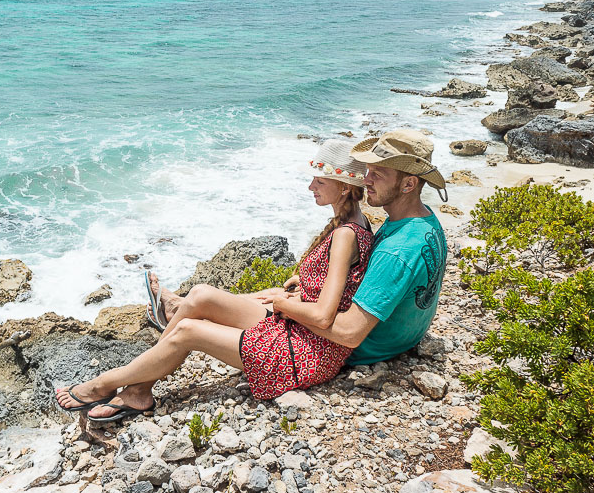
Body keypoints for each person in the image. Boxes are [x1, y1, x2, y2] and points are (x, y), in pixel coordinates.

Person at [55, 140, 374, 421]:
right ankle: (140, 387)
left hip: (305, 351)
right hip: (301, 331)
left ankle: (104, 384)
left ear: (344, 186)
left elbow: (324, 316)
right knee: (201, 295)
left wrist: (279, 302)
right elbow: (337, 286)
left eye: (318, 181)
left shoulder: (345, 235)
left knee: (187, 331)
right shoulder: (353, 223)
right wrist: (299, 285)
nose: (310, 188)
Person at [282, 129, 449, 366]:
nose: (366, 179)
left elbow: (349, 333)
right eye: (368, 171)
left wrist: (287, 308)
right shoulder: (422, 221)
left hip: (363, 348)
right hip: (403, 339)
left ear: (409, 184)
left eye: (378, 174)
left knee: (256, 305)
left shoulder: (397, 249)